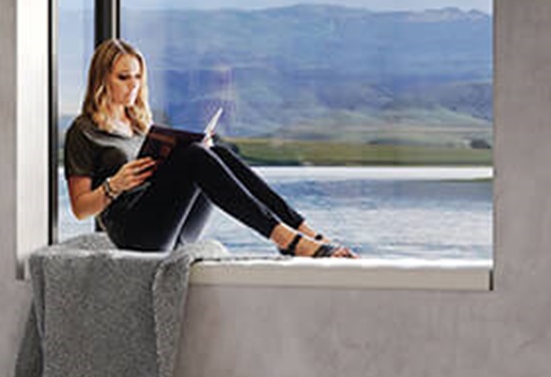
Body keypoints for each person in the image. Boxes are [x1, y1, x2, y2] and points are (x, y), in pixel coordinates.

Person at [64, 38, 355, 256]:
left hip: (172, 228)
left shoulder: (141, 122)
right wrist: (114, 185)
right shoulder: (84, 132)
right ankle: (285, 239)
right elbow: (80, 209)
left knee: (216, 153)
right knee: (193, 156)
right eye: (123, 77)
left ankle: (303, 231)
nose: (133, 86)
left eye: (138, 77)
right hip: (134, 234)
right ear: (102, 79)